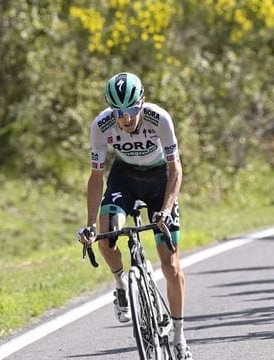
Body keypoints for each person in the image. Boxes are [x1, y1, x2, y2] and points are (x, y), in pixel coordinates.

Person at [76, 72, 193, 359]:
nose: (126, 118)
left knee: (171, 264)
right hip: (125, 179)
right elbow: (96, 177)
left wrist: (165, 209)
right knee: (108, 237)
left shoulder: (159, 119)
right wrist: (90, 224)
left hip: (159, 183)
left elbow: (176, 169)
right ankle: (120, 285)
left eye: (131, 110)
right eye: (119, 112)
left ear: (142, 103)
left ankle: (179, 336)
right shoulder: (101, 126)